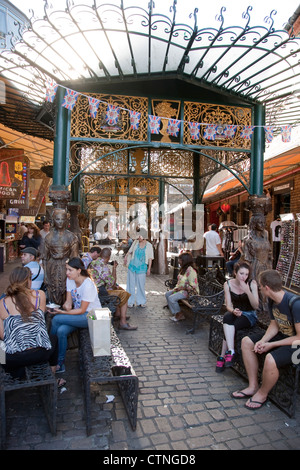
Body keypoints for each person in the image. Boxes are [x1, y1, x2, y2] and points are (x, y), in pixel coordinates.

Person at [231, 269, 300, 409]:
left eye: (261, 287)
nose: (260, 290)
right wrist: (263, 340)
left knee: (270, 358)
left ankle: (262, 393)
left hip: (296, 344)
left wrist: (271, 344)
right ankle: (253, 386)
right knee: (247, 342)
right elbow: (274, 325)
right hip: (282, 336)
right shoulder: (272, 300)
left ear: (267, 287)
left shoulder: (295, 304)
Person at [0, 266, 58, 379]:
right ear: (29, 281)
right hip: (40, 354)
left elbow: (3, 336)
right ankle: (53, 373)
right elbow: (40, 321)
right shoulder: (39, 295)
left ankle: (8, 372)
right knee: (54, 338)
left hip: (12, 359)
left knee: (1, 348)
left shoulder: (2, 303)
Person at [50, 257, 102, 373]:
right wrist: (65, 305)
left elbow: (82, 310)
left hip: (91, 316)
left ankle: (50, 356)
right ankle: (59, 363)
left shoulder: (88, 285)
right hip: (79, 316)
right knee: (61, 331)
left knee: (56, 320)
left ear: (79, 270)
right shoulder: (70, 280)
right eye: (66, 270)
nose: (67, 273)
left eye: (70, 270)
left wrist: (62, 312)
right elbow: (69, 301)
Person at [216, 261, 259, 372]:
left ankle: (222, 355)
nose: (244, 277)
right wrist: (233, 311)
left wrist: (247, 291)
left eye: (246, 274)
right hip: (236, 312)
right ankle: (231, 350)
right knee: (227, 317)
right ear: (235, 273)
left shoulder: (252, 283)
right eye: (241, 273)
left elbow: (256, 306)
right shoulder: (228, 284)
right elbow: (228, 305)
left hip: (249, 314)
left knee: (231, 326)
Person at [89, 247, 137, 330]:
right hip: (101, 291)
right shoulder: (103, 267)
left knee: (120, 289)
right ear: (109, 257)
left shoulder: (94, 262)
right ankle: (123, 322)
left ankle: (118, 313)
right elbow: (112, 283)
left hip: (96, 288)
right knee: (124, 294)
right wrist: (114, 268)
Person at [43, 208, 79, 306]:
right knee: (52, 289)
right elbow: (45, 258)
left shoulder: (72, 237)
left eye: (62, 219)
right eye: (57, 219)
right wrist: (45, 275)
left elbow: (74, 258)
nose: (60, 222)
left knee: (66, 288)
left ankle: (66, 309)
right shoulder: (48, 237)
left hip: (66, 267)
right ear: (53, 220)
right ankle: (53, 310)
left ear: (66, 220)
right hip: (52, 267)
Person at [165, 251, 199, 322]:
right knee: (167, 294)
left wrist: (181, 288)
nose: (178, 261)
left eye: (180, 260)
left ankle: (179, 314)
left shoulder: (191, 271)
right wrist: (176, 289)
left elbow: (193, 286)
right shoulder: (184, 269)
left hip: (189, 292)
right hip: (181, 290)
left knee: (171, 298)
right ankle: (176, 313)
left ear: (184, 260)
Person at [124, 228, 154, 308]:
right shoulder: (135, 242)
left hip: (142, 268)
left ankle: (141, 301)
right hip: (132, 266)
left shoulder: (149, 245)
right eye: (138, 235)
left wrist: (149, 269)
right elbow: (130, 251)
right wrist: (126, 257)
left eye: (140, 235)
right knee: (131, 285)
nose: (138, 237)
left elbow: (150, 258)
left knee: (141, 285)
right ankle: (130, 302)